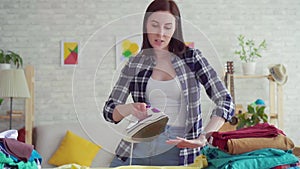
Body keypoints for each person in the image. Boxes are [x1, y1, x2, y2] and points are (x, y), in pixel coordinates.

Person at [103, 0, 234, 166]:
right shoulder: (135, 63)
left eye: (167, 27)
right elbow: (109, 110)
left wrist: (203, 137)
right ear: (146, 26)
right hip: (138, 144)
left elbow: (225, 101)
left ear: (175, 29)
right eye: (155, 25)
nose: (160, 34)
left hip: (178, 147)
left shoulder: (192, 58)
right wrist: (130, 108)